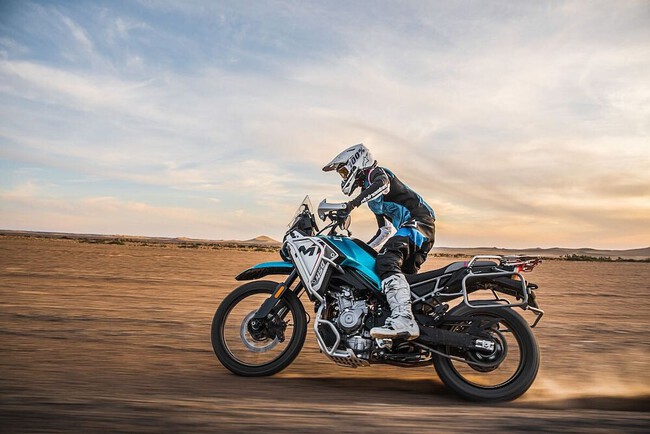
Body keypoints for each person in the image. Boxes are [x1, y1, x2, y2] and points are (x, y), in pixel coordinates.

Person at [323, 144, 435, 340]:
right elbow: (384, 231)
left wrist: (351, 205)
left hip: (420, 223)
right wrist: (362, 249)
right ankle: (412, 328)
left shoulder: (377, 173)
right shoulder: (372, 199)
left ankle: (404, 320)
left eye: (344, 171)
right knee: (394, 276)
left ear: (356, 162)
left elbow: (382, 185)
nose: (344, 177)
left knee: (386, 261)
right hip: (413, 232)